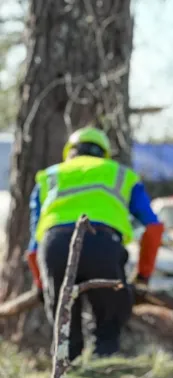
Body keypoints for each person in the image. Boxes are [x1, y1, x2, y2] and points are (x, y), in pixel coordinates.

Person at [25, 127, 164, 362]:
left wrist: (43, 284)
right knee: (108, 331)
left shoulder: (49, 177)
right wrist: (143, 276)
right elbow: (153, 227)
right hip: (103, 246)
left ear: (70, 152)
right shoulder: (121, 174)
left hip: (55, 247)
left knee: (65, 335)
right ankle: (102, 373)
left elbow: (34, 248)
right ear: (104, 154)